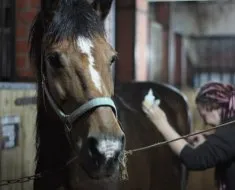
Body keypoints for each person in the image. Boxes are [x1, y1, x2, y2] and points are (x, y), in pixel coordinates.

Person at [142, 81, 235, 190]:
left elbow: (195, 159)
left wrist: (161, 122)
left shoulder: (231, 129)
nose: (205, 123)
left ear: (211, 106)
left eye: (203, 116)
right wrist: (208, 140)